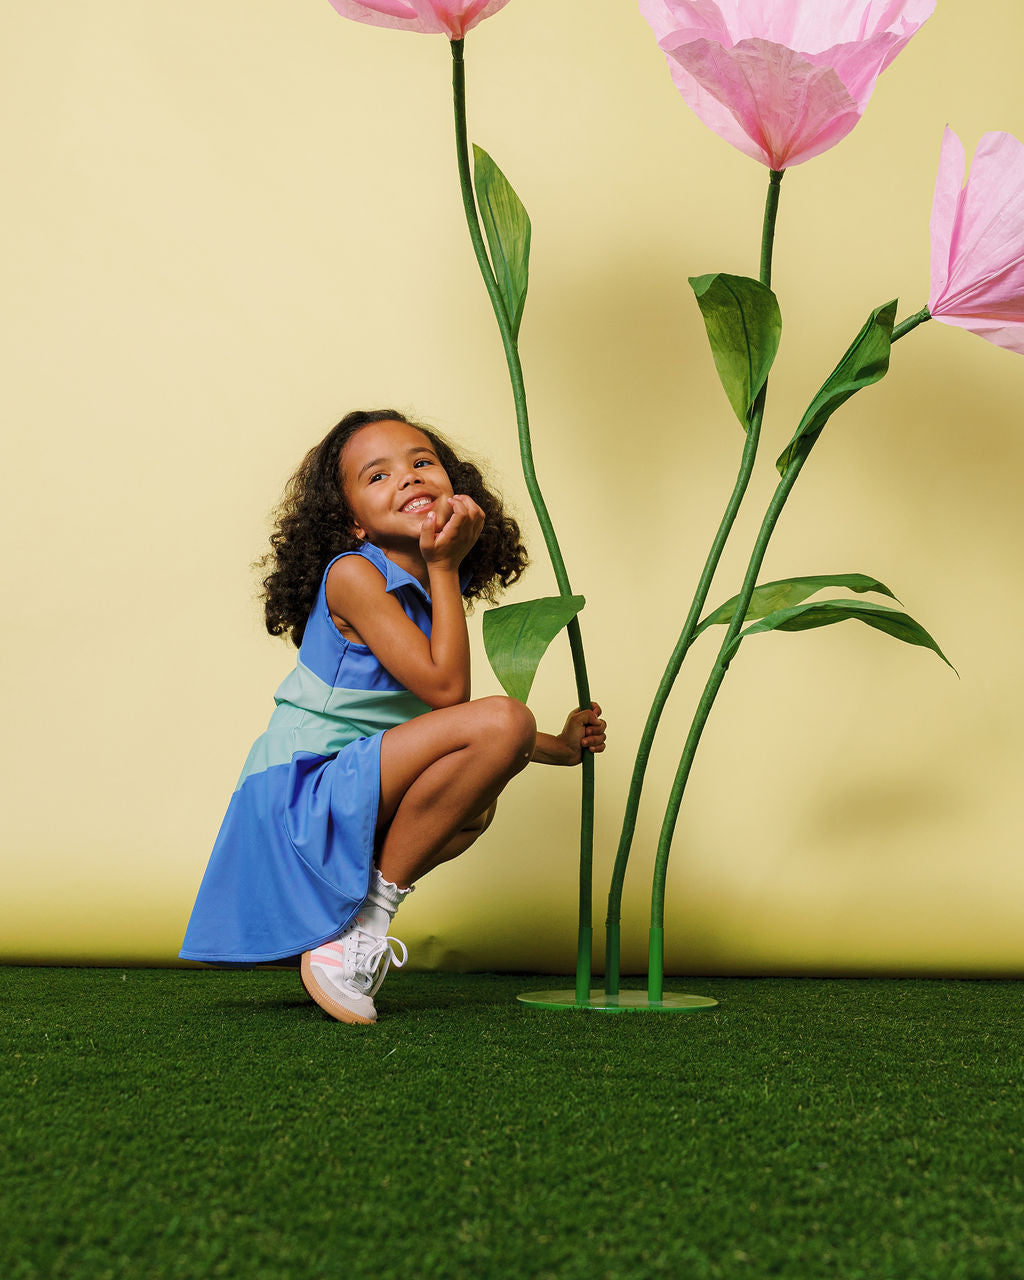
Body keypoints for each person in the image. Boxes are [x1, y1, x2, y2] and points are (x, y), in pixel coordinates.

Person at [180, 409, 605, 1024]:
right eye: (377, 476)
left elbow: (440, 729)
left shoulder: (432, 596)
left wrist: (557, 747)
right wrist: (444, 566)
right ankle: (365, 924)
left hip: (354, 781)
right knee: (502, 722)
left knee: (474, 804)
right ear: (351, 519)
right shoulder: (352, 575)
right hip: (302, 790)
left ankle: (351, 925)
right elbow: (449, 695)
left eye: (422, 462)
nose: (407, 478)